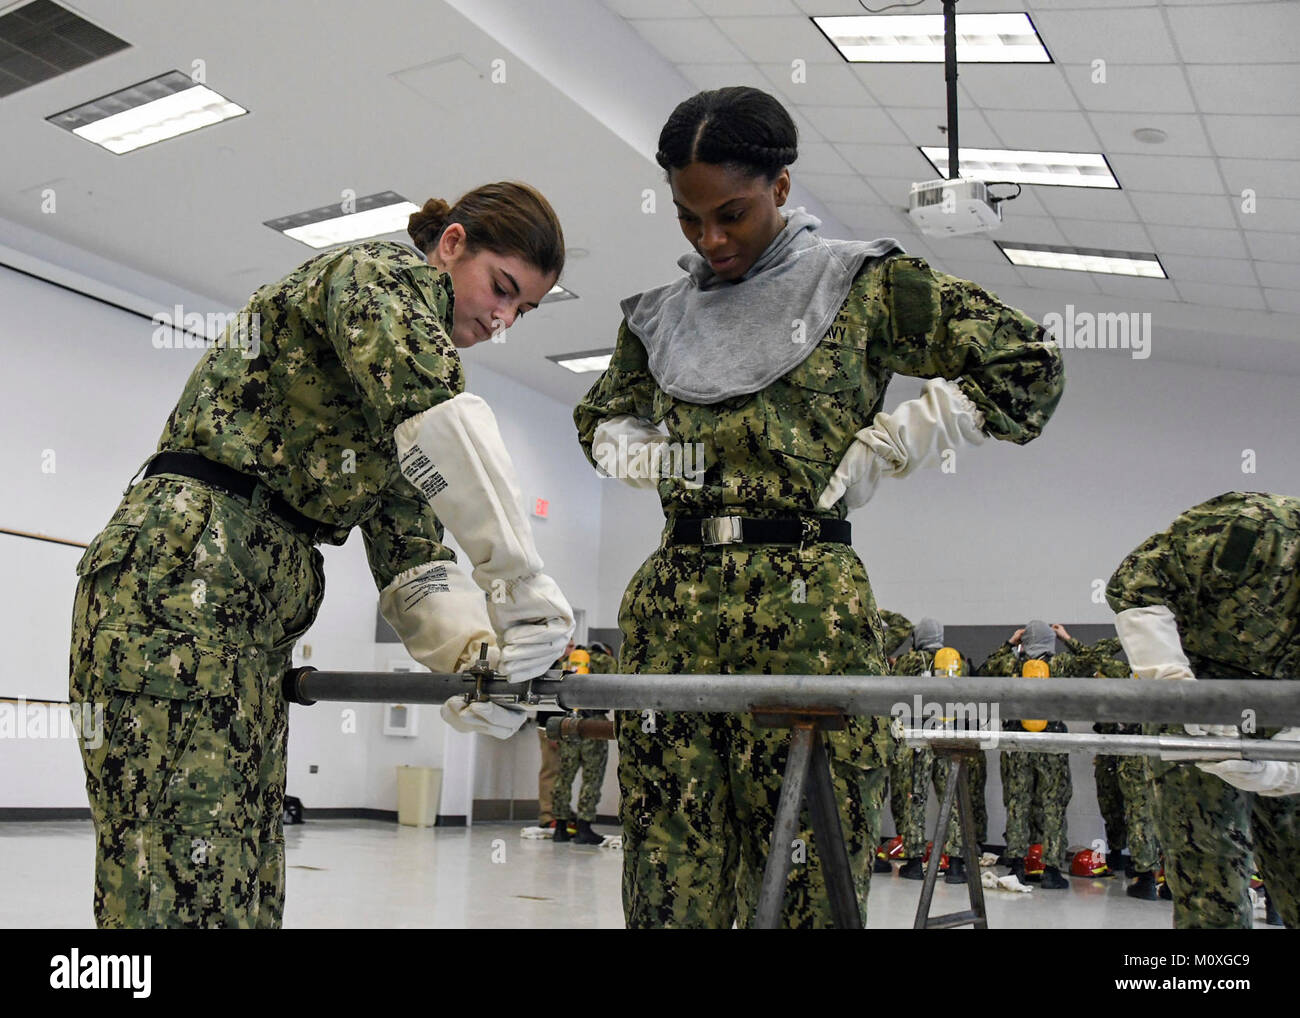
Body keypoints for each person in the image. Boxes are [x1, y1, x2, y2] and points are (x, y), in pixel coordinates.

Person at [573, 86, 1064, 928]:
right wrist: (633, 448)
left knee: (802, 851)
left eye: (732, 213)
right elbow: (599, 416)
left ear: (783, 187)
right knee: (667, 855)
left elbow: (1028, 360)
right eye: (690, 220)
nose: (711, 240)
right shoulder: (657, 319)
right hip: (671, 606)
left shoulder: (865, 286)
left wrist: (908, 434)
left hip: (805, 604)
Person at [69, 183, 576, 928]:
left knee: (241, 880)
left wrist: (483, 660)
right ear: (453, 244)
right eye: (502, 288)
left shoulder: (398, 405)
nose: (502, 319)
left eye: (523, 311)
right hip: (181, 587)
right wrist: (524, 591)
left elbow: (414, 558)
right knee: (175, 879)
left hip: (244, 620)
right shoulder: (376, 280)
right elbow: (438, 420)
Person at [1106, 491, 1299, 929]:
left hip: (1289, 718)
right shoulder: (1258, 529)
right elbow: (1136, 583)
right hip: (1196, 694)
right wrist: (1177, 690)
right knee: (1211, 890)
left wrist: (1279, 771)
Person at [979, 621, 1091, 890]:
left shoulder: (1011, 666)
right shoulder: (1060, 665)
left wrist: (1010, 642)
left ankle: (1017, 865)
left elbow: (983, 670)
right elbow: (1090, 661)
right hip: (1051, 741)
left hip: (1017, 742)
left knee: (1018, 804)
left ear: (1025, 641)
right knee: (1053, 806)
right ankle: (1051, 870)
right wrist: (1066, 638)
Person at [891, 618, 978, 884]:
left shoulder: (911, 661)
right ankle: (954, 866)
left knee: (915, 800)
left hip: (918, 740)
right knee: (950, 802)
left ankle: (915, 863)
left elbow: (893, 689)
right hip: (948, 739)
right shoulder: (958, 663)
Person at [552, 643, 615, 845]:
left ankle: (560, 828)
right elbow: (616, 690)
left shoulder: (568, 661)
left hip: (569, 723)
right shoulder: (607, 662)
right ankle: (584, 828)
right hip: (595, 726)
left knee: (564, 776)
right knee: (592, 777)